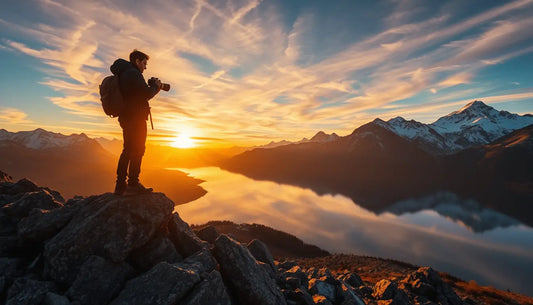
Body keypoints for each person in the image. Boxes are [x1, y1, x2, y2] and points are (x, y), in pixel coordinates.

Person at [111, 49, 162, 195]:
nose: (145, 67)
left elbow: (138, 94)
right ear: (137, 61)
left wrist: (152, 88)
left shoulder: (123, 73)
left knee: (127, 150)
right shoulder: (133, 73)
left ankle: (120, 185)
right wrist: (155, 86)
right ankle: (133, 184)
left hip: (126, 117)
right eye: (144, 63)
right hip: (136, 118)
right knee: (138, 150)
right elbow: (146, 94)